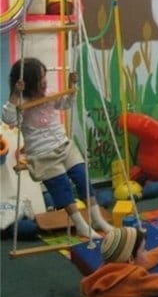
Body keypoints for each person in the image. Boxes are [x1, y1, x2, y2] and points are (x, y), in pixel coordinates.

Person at [2, 58, 113, 239]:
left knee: (82, 177)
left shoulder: (50, 93)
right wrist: (15, 94)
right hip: (42, 155)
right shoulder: (21, 103)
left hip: (64, 146)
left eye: (45, 77)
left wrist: (71, 86)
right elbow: (9, 119)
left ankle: (97, 219)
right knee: (62, 188)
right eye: (40, 80)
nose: (45, 82)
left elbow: (66, 104)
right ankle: (81, 225)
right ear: (28, 85)